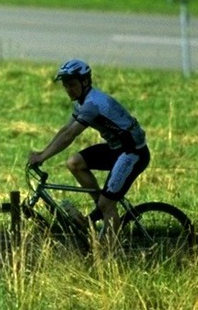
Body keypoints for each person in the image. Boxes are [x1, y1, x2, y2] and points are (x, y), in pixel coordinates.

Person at [27, 58, 150, 235]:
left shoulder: (92, 104)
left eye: (72, 84)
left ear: (85, 81)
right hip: (117, 149)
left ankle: (108, 254)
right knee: (74, 163)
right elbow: (65, 129)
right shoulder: (81, 101)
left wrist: (42, 158)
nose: (68, 89)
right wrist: (42, 152)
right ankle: (99, 208)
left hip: (133, 153)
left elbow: (69, 136)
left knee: (108, 205)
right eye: (65, 86)